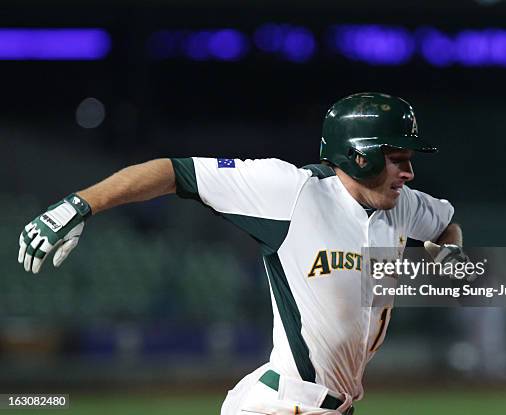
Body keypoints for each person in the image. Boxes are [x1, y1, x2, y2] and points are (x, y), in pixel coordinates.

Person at [18, 92, 466, 414]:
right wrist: (78, 205)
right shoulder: (293, 192)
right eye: (397, 158)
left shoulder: (402, 205)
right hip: (284, 403)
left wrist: (446, 255)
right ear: (359, 156)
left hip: (328, 403)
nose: (408, 171)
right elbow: (173, 171)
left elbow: (446, 224)